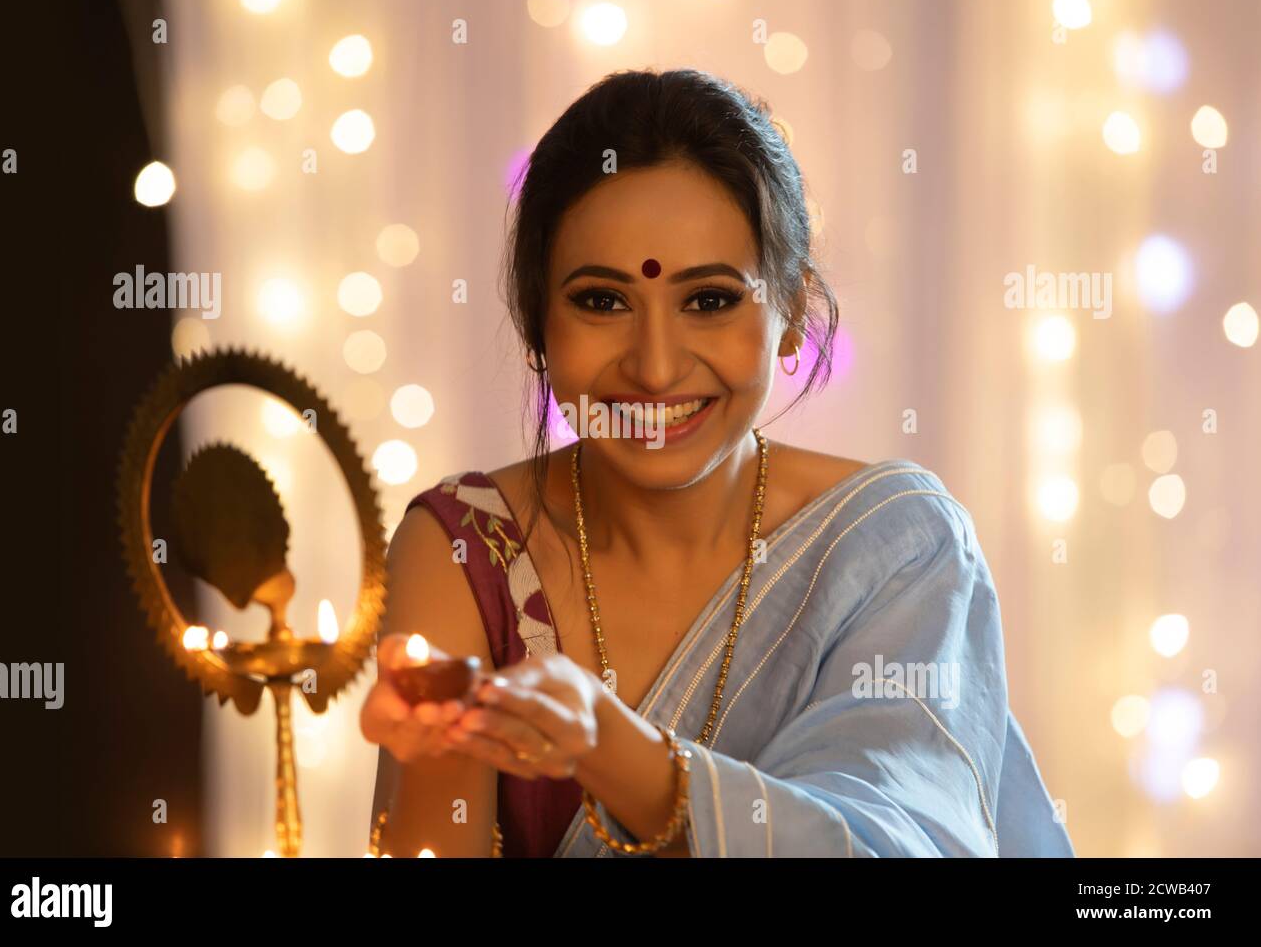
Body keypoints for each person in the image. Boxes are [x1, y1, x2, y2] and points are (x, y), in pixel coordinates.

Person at [359, 67, 1074, 858]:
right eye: (602, 300)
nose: (657, 369)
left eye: (710, 300)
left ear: (792, 314)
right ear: (536, 324)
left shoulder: (895, 549)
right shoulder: (468, 551)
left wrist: (603, 743)